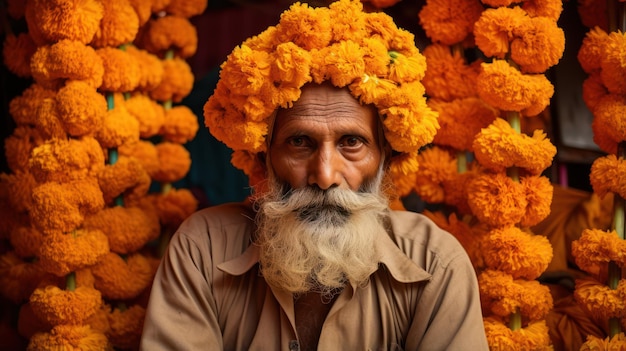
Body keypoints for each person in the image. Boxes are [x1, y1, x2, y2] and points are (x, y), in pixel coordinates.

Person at [140, 0, 489, 350]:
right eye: (299, 142)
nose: (324, 176)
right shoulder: (203, 250)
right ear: (264, 158)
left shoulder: (435, 263)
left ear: (386, 158)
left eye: (351, 142)